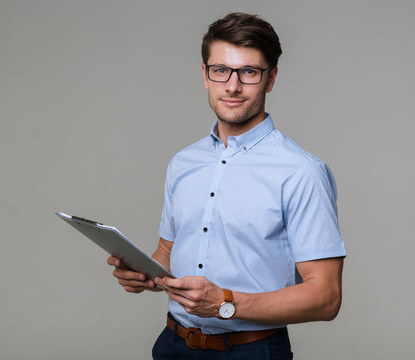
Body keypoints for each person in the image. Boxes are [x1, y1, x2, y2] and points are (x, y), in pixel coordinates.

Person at [108, 12, 346, 359]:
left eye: (248, 72)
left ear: (271, 78)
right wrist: (144, 273)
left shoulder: (302, 172)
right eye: (221, 70)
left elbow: (326, 298)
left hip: (251, 351)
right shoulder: (183, 163)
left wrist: (225, 304)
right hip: (173, 345)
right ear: (205, 75)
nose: (232, 86)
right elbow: (167, 251)